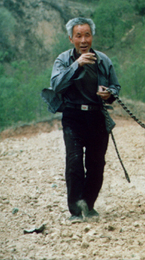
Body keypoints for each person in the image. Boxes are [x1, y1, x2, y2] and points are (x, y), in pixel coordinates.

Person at [43, 17, 121, 222]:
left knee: (96, 164)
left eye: (87, 35)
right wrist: (76, 65)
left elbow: (116, 87)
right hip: (73, 116)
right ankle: (76, 210)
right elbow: (56, 85)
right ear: (71, 38)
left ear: (92, 37)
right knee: (74, 162)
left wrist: (109, 93)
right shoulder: (63, 60)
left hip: (97, 115)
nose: (83, 40)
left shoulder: (103, 60)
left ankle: (89, 204)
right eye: (79, 36)